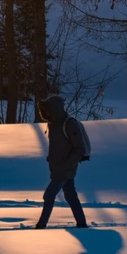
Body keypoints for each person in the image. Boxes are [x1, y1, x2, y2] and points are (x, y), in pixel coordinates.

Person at [35, 95, 88, 229]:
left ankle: (41, 225)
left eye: (47, 110)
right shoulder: (52, 123)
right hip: (57, 167)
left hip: (64, 168)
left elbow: (79, 149)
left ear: (54, 109)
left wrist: (67, 165)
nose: (44, 113)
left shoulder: (69, 124)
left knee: (49, 195)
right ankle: (82, 224)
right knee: (70, 196)